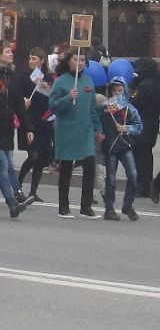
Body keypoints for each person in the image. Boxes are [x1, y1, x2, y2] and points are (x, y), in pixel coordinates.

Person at [48, 50, 103, 219]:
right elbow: (53, 105)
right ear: (69, 62)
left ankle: (85, 206)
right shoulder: (61, 82)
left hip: (85, 130)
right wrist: (67, 99)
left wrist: (98, 129)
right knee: (66, 168)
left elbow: (92, 108)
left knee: (89, 165)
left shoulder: (88, 81)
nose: (79, 63)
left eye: (82, 60)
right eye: (76, 59)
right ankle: (63, 206)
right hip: (67, 130)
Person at [0, 47, 35, 219]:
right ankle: (13, 202)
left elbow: (18, 105)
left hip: (7, 128)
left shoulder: (13, 77)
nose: (11, 54)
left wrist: (28, 127)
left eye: (12, 52)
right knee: (2, 164)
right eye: (7, 52)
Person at [14, 47, 55, 202]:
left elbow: (49, 97)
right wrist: (24, 101)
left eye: (34, 58)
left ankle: (33, 191)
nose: (31, 61)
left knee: (42, 157)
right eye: (30, 58)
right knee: (33, 155)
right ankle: (17, 185)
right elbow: (17, 96)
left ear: (42, 61)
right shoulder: (24, 77)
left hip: (42, 120)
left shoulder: (47, 78)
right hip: (29, 120)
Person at [100, 77, 142, 221]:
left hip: (125, 145)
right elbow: (99, 123)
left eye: (120, 90)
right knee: (111, 178)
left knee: (133, 175)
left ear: (125, 90)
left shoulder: (130, 108)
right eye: (114, 91)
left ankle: (128, 205)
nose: (117, 94)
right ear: (110, 91)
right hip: (111, 146)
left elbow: (139, 126)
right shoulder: (105, 108)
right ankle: (109, 208)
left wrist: (126, 128)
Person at [130, 57, 160, 203]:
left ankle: (142, 186)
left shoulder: (144, 85)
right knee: (146, 156)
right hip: (152, 125)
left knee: (140, 156)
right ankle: (146, 185)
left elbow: (134, 103)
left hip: (141, 124)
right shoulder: (156, 82)